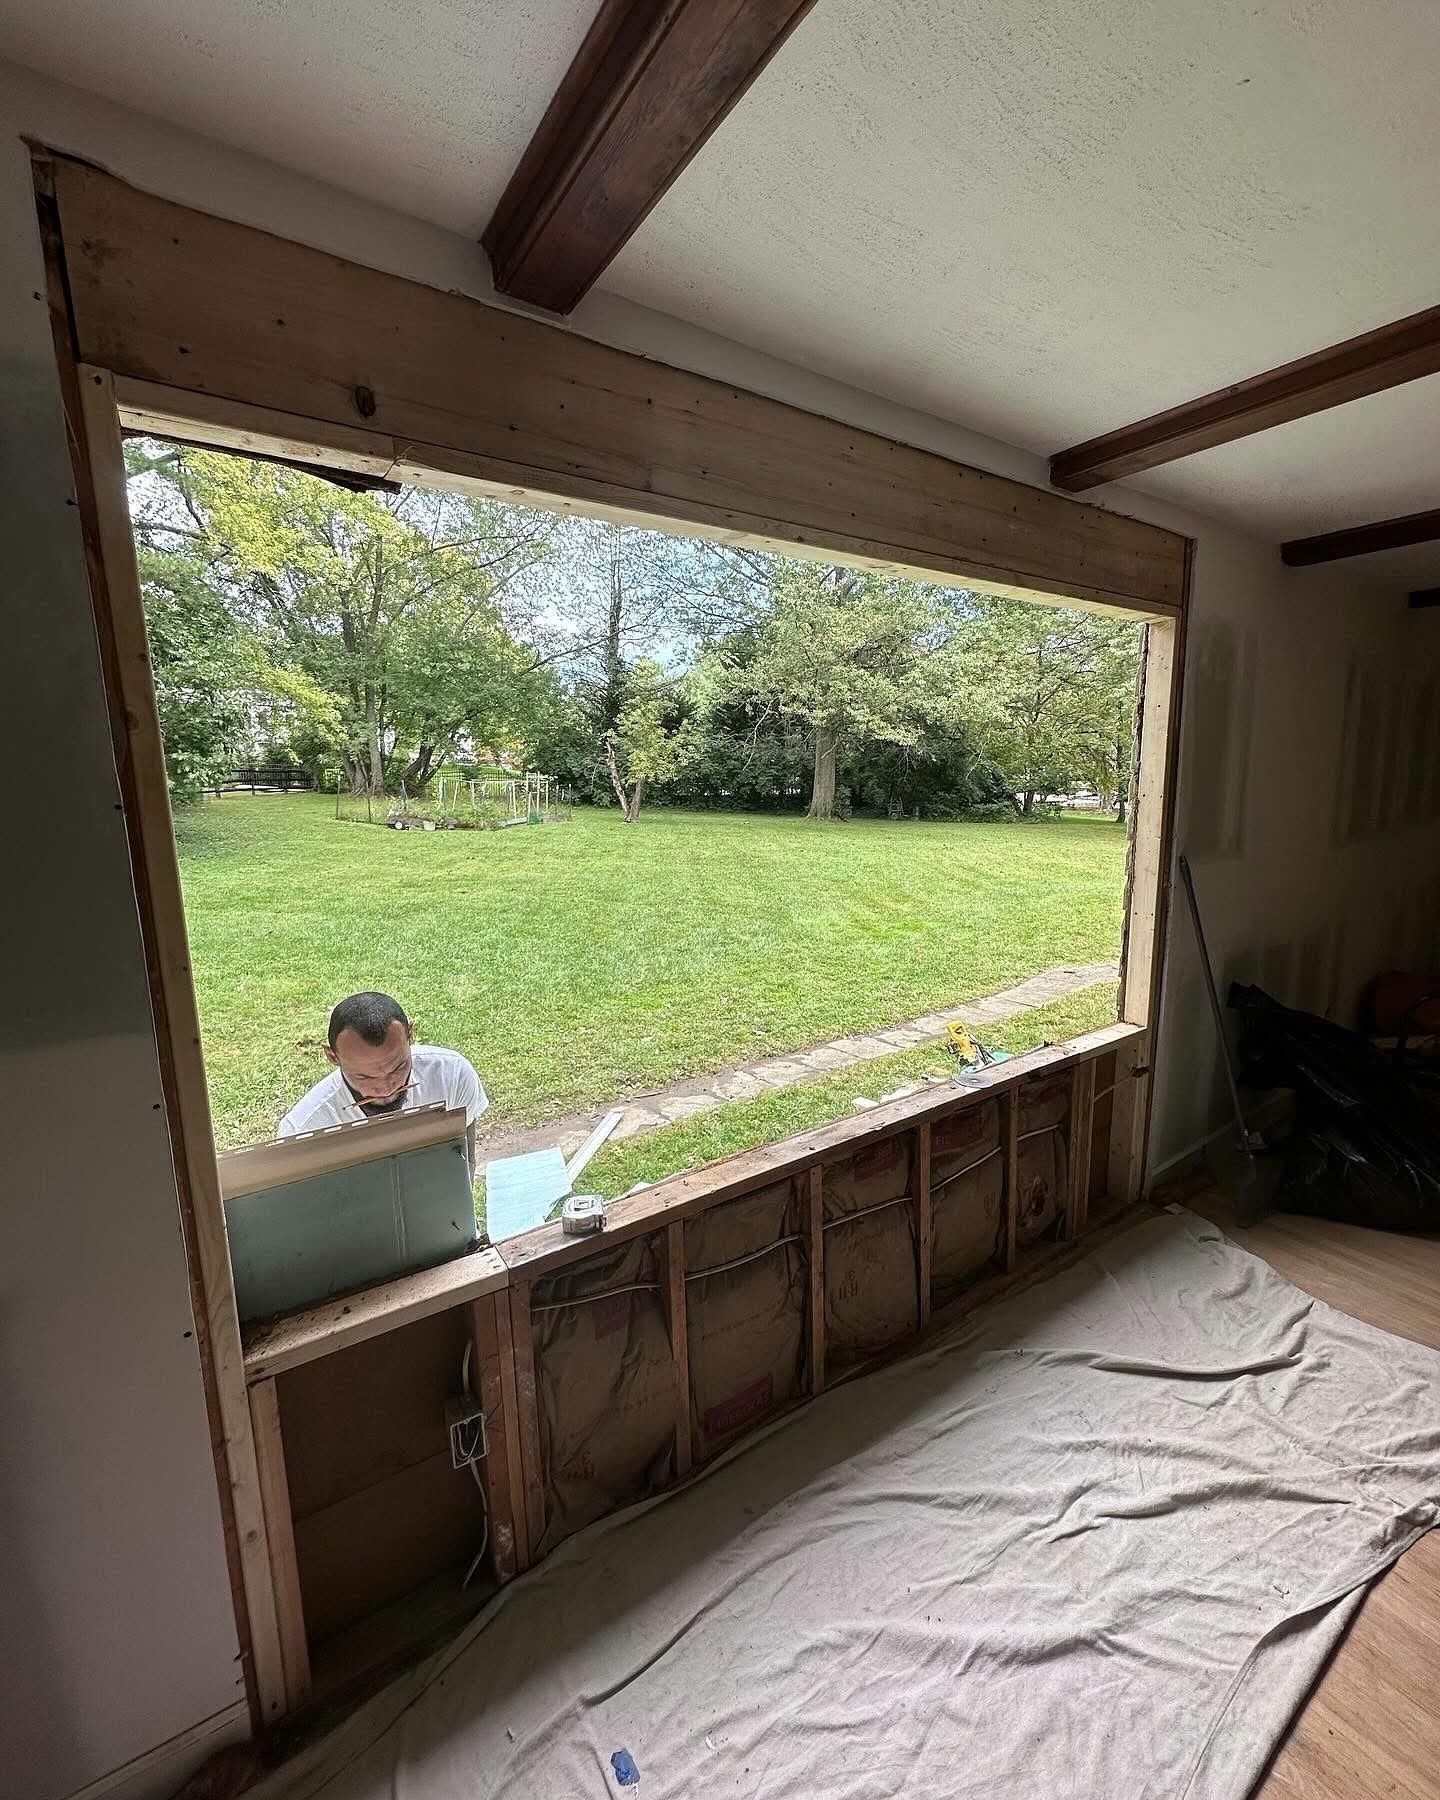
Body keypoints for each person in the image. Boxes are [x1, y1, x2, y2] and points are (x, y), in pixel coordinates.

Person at [278, 992, 488, 1178]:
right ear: (333, 1057)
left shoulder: (451, 1075)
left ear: (410, 1035)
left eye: (398, 1068)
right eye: (365, 1077)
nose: (386, 1088)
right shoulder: (304, 1130)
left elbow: (463, 1165)